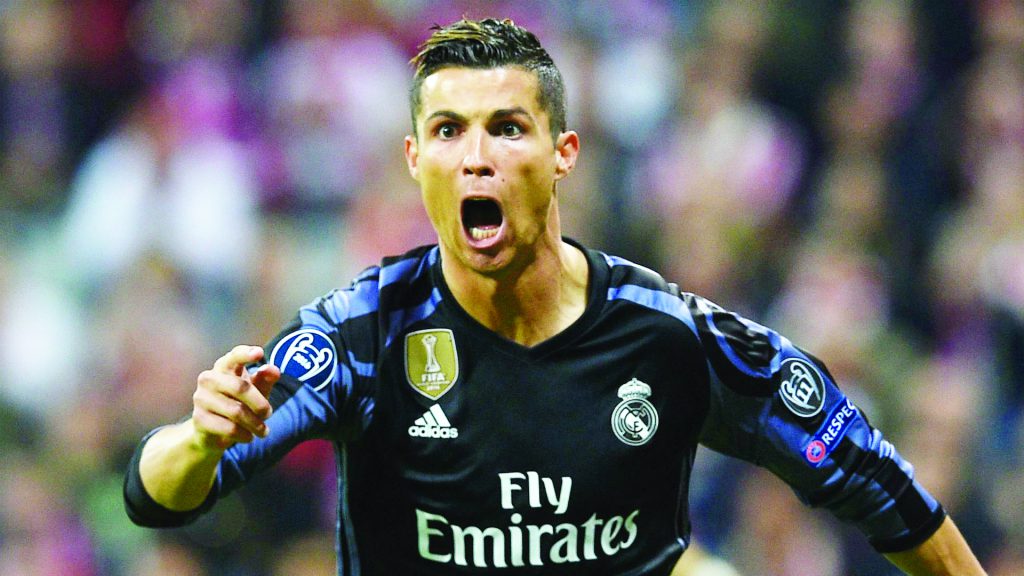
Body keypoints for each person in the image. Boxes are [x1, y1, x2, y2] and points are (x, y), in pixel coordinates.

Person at [123, 17, 987, 575]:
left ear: (563, 153)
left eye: (507, 128)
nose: (477, 157)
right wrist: (199, 439)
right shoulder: (362, 335)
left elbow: (880, 485)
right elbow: (156, 494)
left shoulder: (672, 339)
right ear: (415, 161)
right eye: (448, 131)